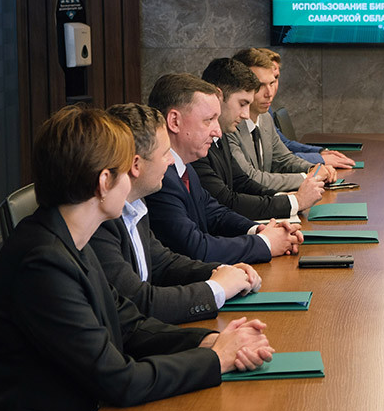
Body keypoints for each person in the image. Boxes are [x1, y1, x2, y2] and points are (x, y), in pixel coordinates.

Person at [0, 106, 274, 411]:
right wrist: (216, 359)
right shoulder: (43, 261)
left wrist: (209, 342)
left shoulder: (67, 236)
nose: (131, 182)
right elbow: (120, 380)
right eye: (125, 171)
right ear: (105, 181)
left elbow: (129, 324)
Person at [90, 102, 262, 324]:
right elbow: (138, 302)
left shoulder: (137, 204)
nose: (172, 161)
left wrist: (221, 271)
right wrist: (216, 288)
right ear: (136, 165)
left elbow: (163, 264)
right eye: (165, 154)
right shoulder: (100, 221)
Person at [144, 73, 303, 264]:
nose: (218, 132)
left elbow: (214, 213)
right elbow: (196, 248)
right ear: (174, 121)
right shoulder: (159, 179)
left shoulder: (185, 168)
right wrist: (265, 243)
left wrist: (258, 230)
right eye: (208, 120)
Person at [195, 57, 324, 220]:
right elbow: (227, 200)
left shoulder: (222, 135)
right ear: (218, 96)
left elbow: (241, 181)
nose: (245, 115)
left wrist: (284, 198)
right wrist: (295, 201)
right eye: (242, 104)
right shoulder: (198, 144)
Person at [227, 48, 337, 191]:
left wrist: (312, 169)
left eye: (272, 83)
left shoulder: (265, 118)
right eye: (260, 86)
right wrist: (308, 178)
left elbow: (283, 159)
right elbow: (250, 178)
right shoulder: (228, 126)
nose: (269, 93)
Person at [256, 47, 355, 169]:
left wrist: (319, 152)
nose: (270, 91)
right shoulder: (246, 116)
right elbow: (275, 161)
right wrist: (319, 159)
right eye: (262, 84)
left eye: (274, 79)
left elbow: (284, 145)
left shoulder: (266, 111)